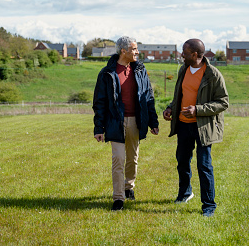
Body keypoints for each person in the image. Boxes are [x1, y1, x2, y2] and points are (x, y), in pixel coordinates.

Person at [163, 38, 229, 217]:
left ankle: (209, 205)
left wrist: (198, 110)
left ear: (194, 54)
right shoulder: (183, 70)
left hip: (203, 127)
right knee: (182, 162)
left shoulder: (213, 74)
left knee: (204, 166)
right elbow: (180, 95)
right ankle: (185, 193)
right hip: (184, 126)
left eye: (184, 53)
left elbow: (223, 102)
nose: (181, 55)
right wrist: (170, 108)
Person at [93, 36, 159, 211]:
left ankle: (129, 187)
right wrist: (99, 128)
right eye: (134, 49)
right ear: (124, 51)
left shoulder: (140, 71)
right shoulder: (107, 73)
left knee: (132, 159)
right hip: (115, 122)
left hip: (136, 121)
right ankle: (118, 198)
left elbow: (148, 98)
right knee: (118, 159)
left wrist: (153, 121)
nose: (137, 52)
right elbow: (99, 103)